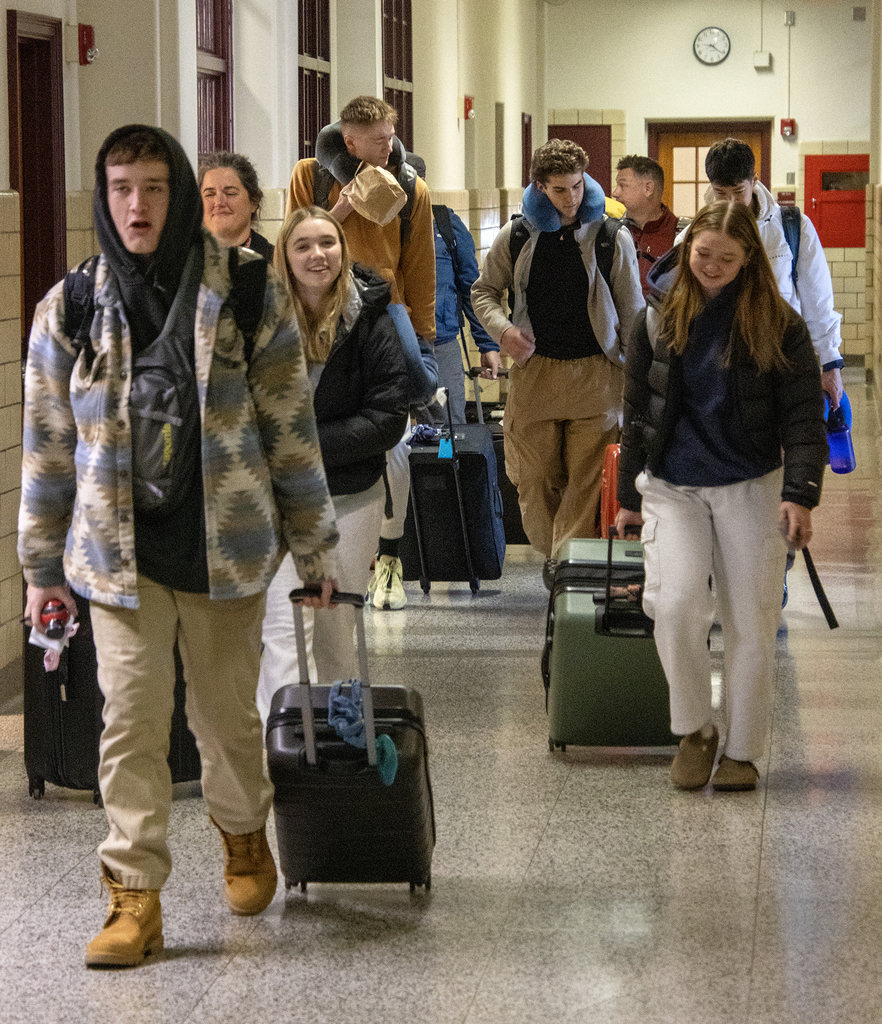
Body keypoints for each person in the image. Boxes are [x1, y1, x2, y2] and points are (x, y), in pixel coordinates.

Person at [18, 124, 339, 968]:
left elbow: (288, 424)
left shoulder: (242, 289)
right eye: (121, 186)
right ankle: (134, 897)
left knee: (226, 723)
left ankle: (241, 831)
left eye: (155, 186)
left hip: (224, 548)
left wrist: (314, 548)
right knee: (127, 724)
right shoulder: (73, 305)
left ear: (184, 193)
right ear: (104, 195)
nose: (137, 204)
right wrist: (40, 570)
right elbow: (49, 446)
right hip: (116, 558)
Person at [614, 201, 827, 792]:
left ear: (748, 261)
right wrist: (628, 499)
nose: (712, 266)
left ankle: (742, 750)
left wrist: (800, 492)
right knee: (676, 605)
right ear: (687, 251)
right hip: (671, 485)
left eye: (727, 259)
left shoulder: (778, 322)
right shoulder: (656, 317)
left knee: (751, 623)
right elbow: (638, 411)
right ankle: (695, 730)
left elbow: (804, 415)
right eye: (703, 255)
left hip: (751, 483)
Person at [256, 207, 409, 721]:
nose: (317, 255)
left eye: (327, 243)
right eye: (303, 245)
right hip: (276, 503)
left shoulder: (372, 318)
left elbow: (389, 416)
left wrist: (305, 447)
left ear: (343, 251)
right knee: (282, 628)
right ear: (285, 255)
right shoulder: (261, 319)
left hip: (350, 498)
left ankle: (339, 741)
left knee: (335, 633)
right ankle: (278, 756)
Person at [288, 96, 438, 611]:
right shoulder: (311, 175)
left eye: (392, 136)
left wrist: (423, 338)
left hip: (383, 305)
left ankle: (388, 554)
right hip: (319, 306)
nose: (388, 145)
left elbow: (420, 266)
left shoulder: (412, 188)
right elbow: (296, 239)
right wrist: (343, 208)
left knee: (407, 405)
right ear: (349, 141)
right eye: (377, 139)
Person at [471, 138, 644, 585]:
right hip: (536, 373)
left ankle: (564, 567)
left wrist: (638, 380)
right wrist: (504, 331)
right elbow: (483, 292)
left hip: (598, 371)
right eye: (559, 190)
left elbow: (633, 313)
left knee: (586, 482)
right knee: (532, 477)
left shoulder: (610, 236)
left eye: (577, 186)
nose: (571, 199)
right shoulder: (518, 235)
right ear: (540, 187)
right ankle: (556, 553)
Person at [697, 138, 844, 407]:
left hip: (784, 361)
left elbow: (818, 299)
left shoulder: (792, 227)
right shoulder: (694, 237)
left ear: (754, 181)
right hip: (721, 370)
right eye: (720, 193)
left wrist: (830, 363)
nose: (731, 203)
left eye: (738, 192)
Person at [406, 152, 500, 424]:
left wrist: (486, 344)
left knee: (447, 430)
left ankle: (445, 466)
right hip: (392, 346)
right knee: (393, 436)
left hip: (440, 345)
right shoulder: (377, 226)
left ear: (423, 182)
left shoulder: (446, 226)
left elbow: (472, 288)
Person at [612, 155, 684, 297]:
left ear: (648, 188)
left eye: (622, 185)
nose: (615, 193)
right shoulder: (612, 232)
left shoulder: (683, 235)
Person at [199, 150, 275, 259]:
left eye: (230, 193)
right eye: (209, 194)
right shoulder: (181, 262)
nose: (219, 202)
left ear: (253, 202)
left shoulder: (279, 263)